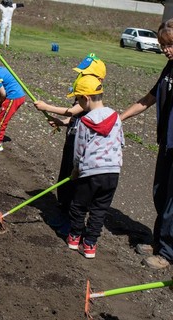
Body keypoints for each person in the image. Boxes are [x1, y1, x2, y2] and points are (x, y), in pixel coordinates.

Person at [120, 18, 173, 270]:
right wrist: (119, 118)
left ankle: (167, 254)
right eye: (163, 45)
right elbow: (149, 99)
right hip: (167, 142)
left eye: (171, 45)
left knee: (172, 200)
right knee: (160, 194)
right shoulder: (169, 69)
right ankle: (159, 240)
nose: (166, 50)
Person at [33, 54, 106, 235]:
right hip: (71, 139)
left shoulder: (90, 97)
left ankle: (70, 220)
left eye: (84, 73)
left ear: (97, 78)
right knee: (63, 177)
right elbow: (73, 117)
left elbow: (73, 111)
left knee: (73, 182)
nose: (80, 76)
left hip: (80, 146)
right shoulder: (82, 92)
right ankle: (63, 209)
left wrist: (46, 107)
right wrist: (61, 122)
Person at [65, 75, 124, 259]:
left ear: (86, 98)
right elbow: (121, 142)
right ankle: (90, 245)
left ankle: (75, 237)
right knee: (99, 209)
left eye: (78, 99)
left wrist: (75, 169)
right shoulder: (115, 117)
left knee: (78, 205)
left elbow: (79, 148)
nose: (78, 103)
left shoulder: (84, 121)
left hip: (90, 171)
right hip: (112, 172)